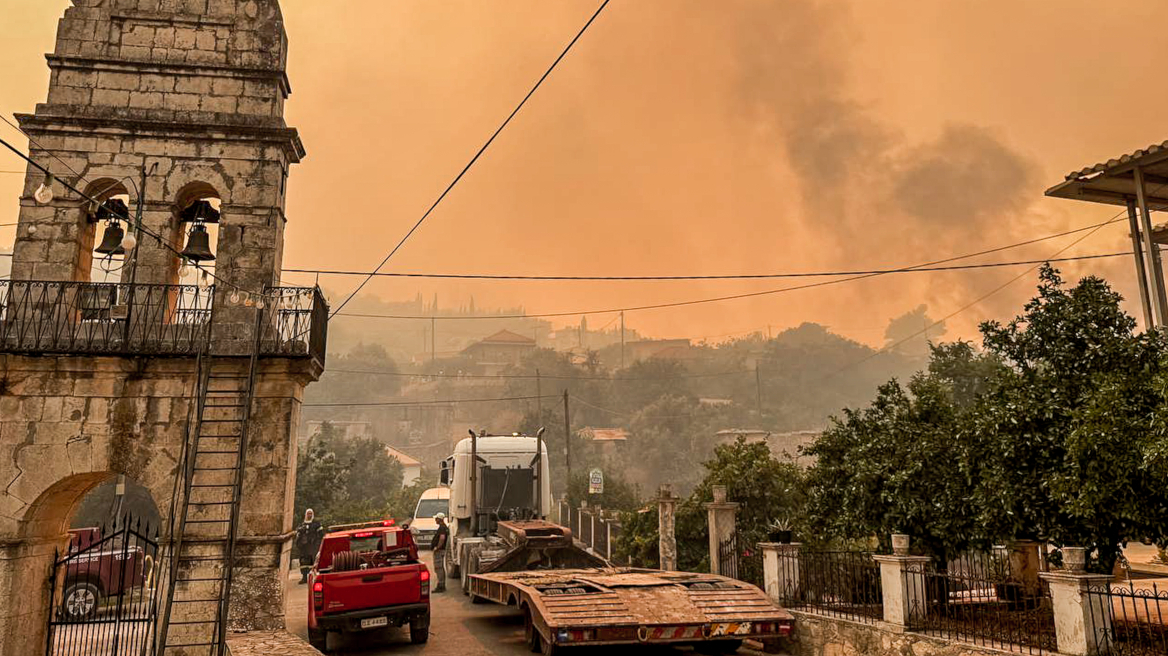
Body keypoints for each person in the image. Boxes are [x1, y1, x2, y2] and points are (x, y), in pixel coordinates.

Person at [295, 509, 325, 584]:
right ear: (306, 514)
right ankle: (304, 577)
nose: (309, 515)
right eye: (308, 513)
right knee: (303, 562)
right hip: (304, 547)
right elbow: (298, 535)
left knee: (313, 561)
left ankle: (314, 578)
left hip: (313, 546)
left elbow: (321, 534)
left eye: (311, 513)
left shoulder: (316, 524)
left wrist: (318, 544)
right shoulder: (302, 524)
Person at [431, 512, 448, 592]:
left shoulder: (442, 528)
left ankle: (441, 586)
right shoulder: (444, 527)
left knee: (439, 568)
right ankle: (441, 585)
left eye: (436, 518)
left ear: (439, 519)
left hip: (439, 551)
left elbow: (442, 538)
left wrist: (437, 548)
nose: (435, 520)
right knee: (440, 568)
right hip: (441, 550)